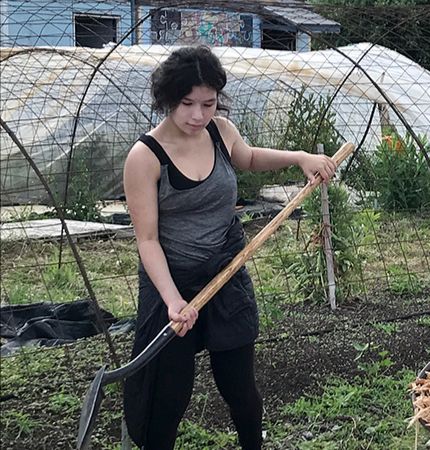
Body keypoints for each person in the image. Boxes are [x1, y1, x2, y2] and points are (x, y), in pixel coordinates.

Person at [121, 46, 335, 449]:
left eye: (208, 103)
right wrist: (171, 301)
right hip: (173, 282)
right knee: (166, 400)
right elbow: (147, 241)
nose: (198, 115)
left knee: (242, 394)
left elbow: (249, 158)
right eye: (187, 104)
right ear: (168, 99)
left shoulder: (220, 132)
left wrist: (301, 157)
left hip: (226, 270)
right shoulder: (145, 157)